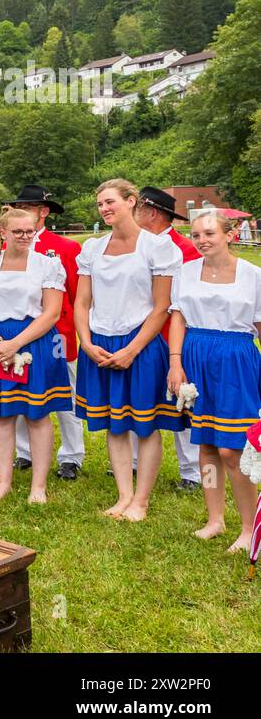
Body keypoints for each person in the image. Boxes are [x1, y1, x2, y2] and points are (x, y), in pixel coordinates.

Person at [74, 179, 183, 522]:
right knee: (114, 424)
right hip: (100, 343)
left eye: (110, 202)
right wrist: (86, 343)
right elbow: (81, 301)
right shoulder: (92, 248)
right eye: (100, 205)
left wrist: (133, 350)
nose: (104, 209)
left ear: (131, 201)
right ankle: (123, 496)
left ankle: (141, 501)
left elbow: (162, 306)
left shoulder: (158, 248)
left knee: (146, 425)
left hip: (141, 343)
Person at [166, 210, 261, 551]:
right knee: (205, 443)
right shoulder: (186, 272)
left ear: (230, 235)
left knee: (232, 448)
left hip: (236, 359)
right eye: (196, 235)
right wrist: (175, 363)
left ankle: (250, 528)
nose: (202, 240)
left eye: (209, 233)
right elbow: (178, 318)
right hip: (195, 356)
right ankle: (215, 518)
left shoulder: (253, 275)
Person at [0, 206, 72, 504]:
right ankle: (4, 482)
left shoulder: (47, 265)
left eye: (30, 230)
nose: (26, 236)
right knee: (1, 414)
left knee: (37, 414)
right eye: (18, 231)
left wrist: (17, 344)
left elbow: (51, 313)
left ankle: (38, 485)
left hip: (35, 341)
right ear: (3, 233)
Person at [8, 185, 85, 480]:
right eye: (20, 207)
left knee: (65, 395)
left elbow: (78, 296)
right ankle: (25, 451)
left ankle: (71, 455)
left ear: (43, 212)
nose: (24, 213)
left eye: (28, 207)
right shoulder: (10, 248)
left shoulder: (65, 248)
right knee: (18, 388)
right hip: (18, 330)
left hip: (57, 333)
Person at [132, 186, 203, 491]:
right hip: (138, 332)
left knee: (181, 399)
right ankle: (135, 461)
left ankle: (192, 472)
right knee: (138, 396)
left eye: (136, 210)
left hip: (173, 334)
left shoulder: (185, 249)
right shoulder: (132, 244)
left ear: (151, 213)